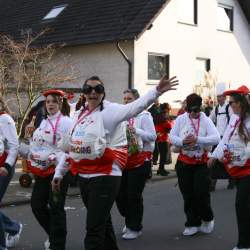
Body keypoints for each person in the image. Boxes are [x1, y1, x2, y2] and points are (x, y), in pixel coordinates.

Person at [52, 75, 178, 250]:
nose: (93, 93)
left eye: (98, 89)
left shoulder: (111, 111)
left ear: (104, 92)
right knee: (104, 224)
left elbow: (136, 106)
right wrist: (59, 173)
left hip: (105, 177)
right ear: (84, 93)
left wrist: (156, 91)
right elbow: (73, 147)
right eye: (88, 89)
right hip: (84, 177)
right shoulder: (79, 114)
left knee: (94, 230)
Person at [19, 89, 73, 250]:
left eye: (53, 101)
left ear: (60, 103)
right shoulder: (43, 122)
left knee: (56, 208)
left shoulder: (66, 123)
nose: (50, 104)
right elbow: (36, 146)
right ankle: (54, 234)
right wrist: (24, 146)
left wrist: (57, 167)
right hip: (42, 172)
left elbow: (67, 150)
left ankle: (58, 244)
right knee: (37, 205)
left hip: (59, 173)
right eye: (48, 102)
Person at [170, 93, 220, 236]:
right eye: (189, 110)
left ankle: (207, 218)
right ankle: (192, 223)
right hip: (184, 162)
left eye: (196, 110)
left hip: (201, 163)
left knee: (201, 193)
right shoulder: (180, 119)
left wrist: (198, 139)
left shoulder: (205, 120)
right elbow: (171, 136)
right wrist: (182, 142)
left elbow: (216, 137)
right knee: (188, 194)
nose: (193, 113)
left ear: (200, 108)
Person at [207, 85, 250, 250]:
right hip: (236, 168)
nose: (230, 105)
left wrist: (243, 154)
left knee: (241, 205)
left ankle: (244, 244)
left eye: (232, 102)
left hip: (248, 169)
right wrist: (214, 156)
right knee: (244, 206)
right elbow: (224, 139)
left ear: (241, 103)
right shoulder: (234, 118)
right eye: (230, 102)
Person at [116, 88, 156, 240]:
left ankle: (135, 227)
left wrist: (135, 130)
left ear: (137, 101)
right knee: (120, 195)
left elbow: (152, 136)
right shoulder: (122, 116)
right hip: (123, 160)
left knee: (133, 195)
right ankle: (130, 218)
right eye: (124, 99)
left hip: (140, 160)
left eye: (129, 99)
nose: (126, 102)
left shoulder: (144, 116)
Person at [0, 98, 22, 250]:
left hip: (2, 167)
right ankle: (13, 227)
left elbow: (14, 146)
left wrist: (6, 165)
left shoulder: (4, 119)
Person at [209, 82, 234, 191]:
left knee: (228, 161)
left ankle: (232, 180)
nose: (219, 99)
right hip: (217, 138)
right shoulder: (216, 109)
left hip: (228, 138)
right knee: (214, 160)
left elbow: (234, 122)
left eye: (221, 96)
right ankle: (212, 184)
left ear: (225, 97)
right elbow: (210, 121)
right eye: (218, 97)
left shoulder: (229, 107)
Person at [154, 104, 172, 176]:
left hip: (159, 136)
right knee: (163, 155)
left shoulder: (158, 115)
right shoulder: (164, 115)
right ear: (166, 108)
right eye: (168, 108)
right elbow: (168, 125)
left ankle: (161, 169)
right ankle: (161, 169)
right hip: (163, 137)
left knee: (162, 155)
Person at [148, 99, 161, 165]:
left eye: (157, 100)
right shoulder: (151, 109)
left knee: (161, 148)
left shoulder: (162, 107)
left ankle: (157, 161)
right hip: (154, 129)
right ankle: (154, 160)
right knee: (155, 146)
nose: (156, 101)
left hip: (161, 130)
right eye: (155, 100)